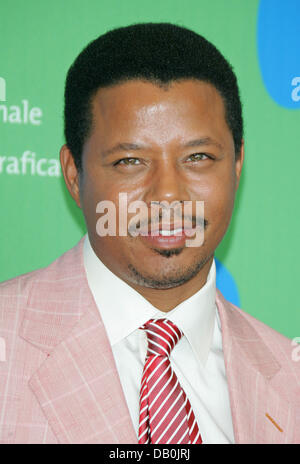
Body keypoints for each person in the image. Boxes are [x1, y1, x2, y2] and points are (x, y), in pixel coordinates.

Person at [0, 22, 299, 445]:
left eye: (198, 157)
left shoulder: (289, 378)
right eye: (130, 162)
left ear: (236, 165)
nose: (168, 195)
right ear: (73, 174)